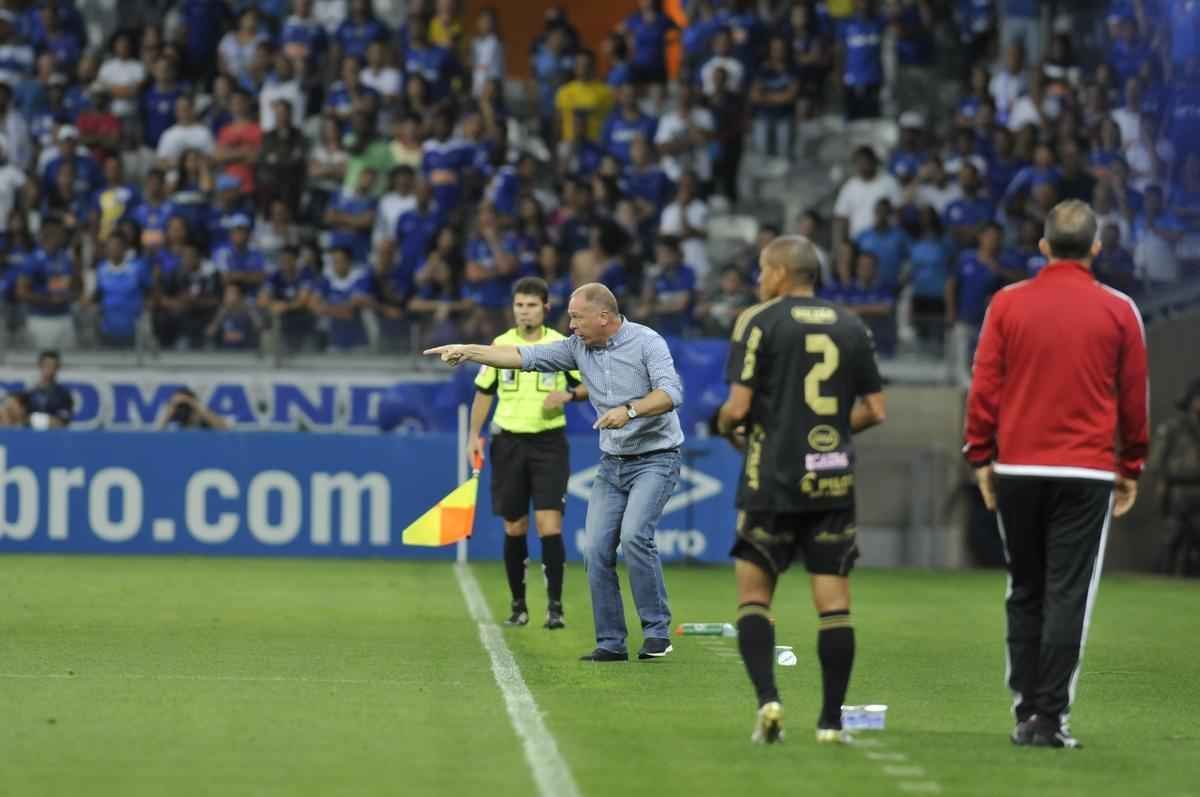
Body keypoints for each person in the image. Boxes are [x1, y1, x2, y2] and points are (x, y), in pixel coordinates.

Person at [965, 200, 1149, 749]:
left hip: (1018, 465)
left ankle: (1025, 709)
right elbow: (1134, 397)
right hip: (1087, 470)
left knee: (1025, 588)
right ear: (1096, 248)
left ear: (1043, 247)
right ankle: (1049, 718)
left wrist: (980, 456)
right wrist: (1131, 464)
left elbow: (985, 385)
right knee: (1068, 593)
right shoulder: (1120, 310)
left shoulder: (1007, 303)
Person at [426, 283, 684, 663]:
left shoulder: (648, 342)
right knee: (595, 548)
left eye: (577, 317)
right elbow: (517, 355)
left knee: (633, 537)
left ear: (603, 317)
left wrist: (629, 410)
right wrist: (468, 351)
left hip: (657, 457)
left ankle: (657, 633)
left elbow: (672, 393)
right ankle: (611, 641)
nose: (570, 324)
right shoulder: (575, 347)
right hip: (613, 464)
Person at [715, 235, 887, 745]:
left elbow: (739, 408)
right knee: (834, 604)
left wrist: (726, 425)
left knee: (754, 597)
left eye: (764, 271)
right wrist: (829, 435)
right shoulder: (853, 324)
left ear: (782, 273)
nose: (759, 280)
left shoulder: (759, 319)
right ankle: (832, 721)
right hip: (831, 480)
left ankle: (769, 700)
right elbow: (876, 410)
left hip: (771, 478)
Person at [467, 277, 587, 630]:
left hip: (549, 442)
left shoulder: (561, 345)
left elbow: (589, 383)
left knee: (549, 523)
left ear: (546, 308)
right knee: (514, 525)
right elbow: (484, 391)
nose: (524, 311)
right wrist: (474, 434)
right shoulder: (501, 345)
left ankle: (555, 607)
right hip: (508, 443)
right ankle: (518, 605)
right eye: (519, 305)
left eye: (531, 305)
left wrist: (568, 396)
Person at [1149, 378, 1200, 576]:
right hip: (1177, 496)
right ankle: (1162, 581)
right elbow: (1156, 463)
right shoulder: (1173, 429)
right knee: (1171, 540)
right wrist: (1177, 471)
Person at [0, 349, 73, 429]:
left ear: (58, 368)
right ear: (40, 366)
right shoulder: (31, 392)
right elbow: (12, 410)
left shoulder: (63, 395)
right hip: (29, 436)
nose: (50, 370)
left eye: (53, 366)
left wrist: (31, 420)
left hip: (52, 437)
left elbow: (62, 423)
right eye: (47, 365)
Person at [158, 388, 230, 430]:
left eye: (186, 406)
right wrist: (172, 406)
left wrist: (191, 402)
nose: (184, 410)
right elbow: (157, 437)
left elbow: (224, 428)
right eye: (180, 407)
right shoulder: (173, 426)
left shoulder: (208, 423)